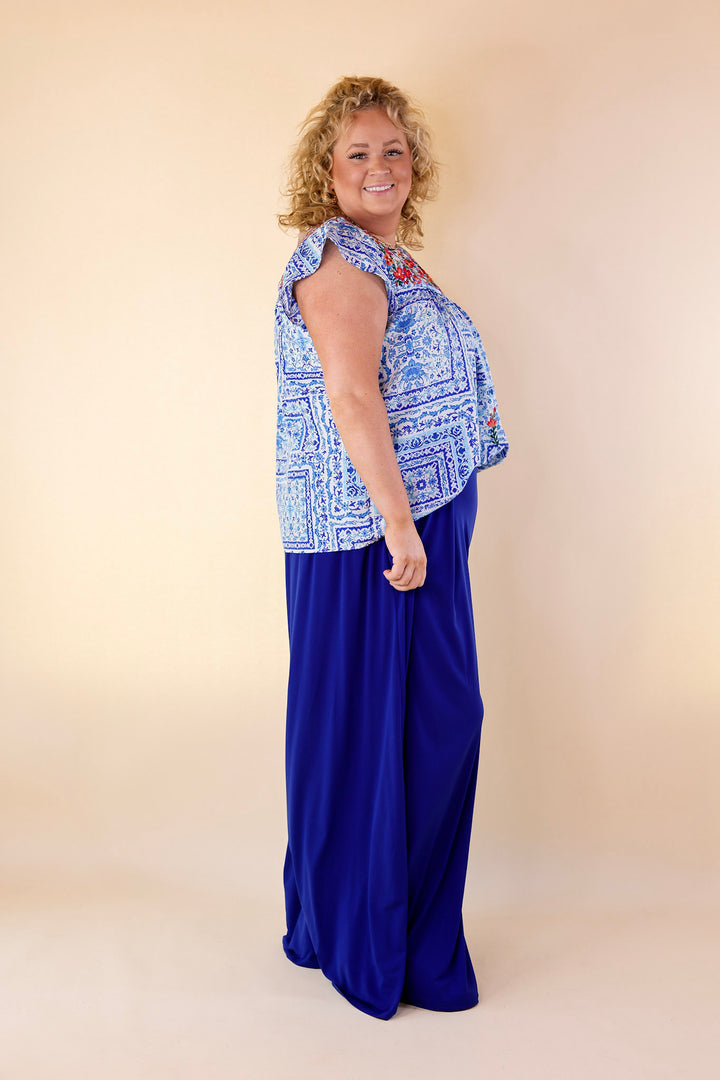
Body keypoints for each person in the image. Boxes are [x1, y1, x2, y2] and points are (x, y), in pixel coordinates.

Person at [274, 75, 508, 1020]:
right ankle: (369, 938)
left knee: (417, 725)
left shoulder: (392, 260)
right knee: (389, 729)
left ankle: (374, 925)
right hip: (370, 535)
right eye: (358, 152)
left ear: (415, 166)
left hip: (415, 521)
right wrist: (400, 523)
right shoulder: (338, 260)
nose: (380, 166)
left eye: (394, 150)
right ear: (326, 171)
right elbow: (350, 393)